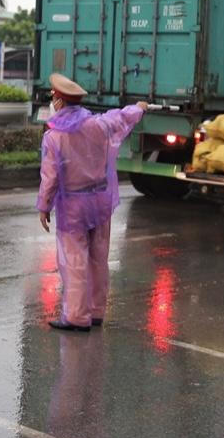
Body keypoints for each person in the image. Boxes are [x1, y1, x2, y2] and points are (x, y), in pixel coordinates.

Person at [37, 73, 147, 332]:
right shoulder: (98, 125)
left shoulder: (54, 137)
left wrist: (44, 207)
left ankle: (76, 316)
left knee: (74, 261)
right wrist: (139, 108)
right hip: (100, 202)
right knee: (98, 259)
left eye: (53, 97)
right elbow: (122, 116)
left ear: (59, 100)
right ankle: (96, 312)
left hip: (73, 206)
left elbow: (50, 177)